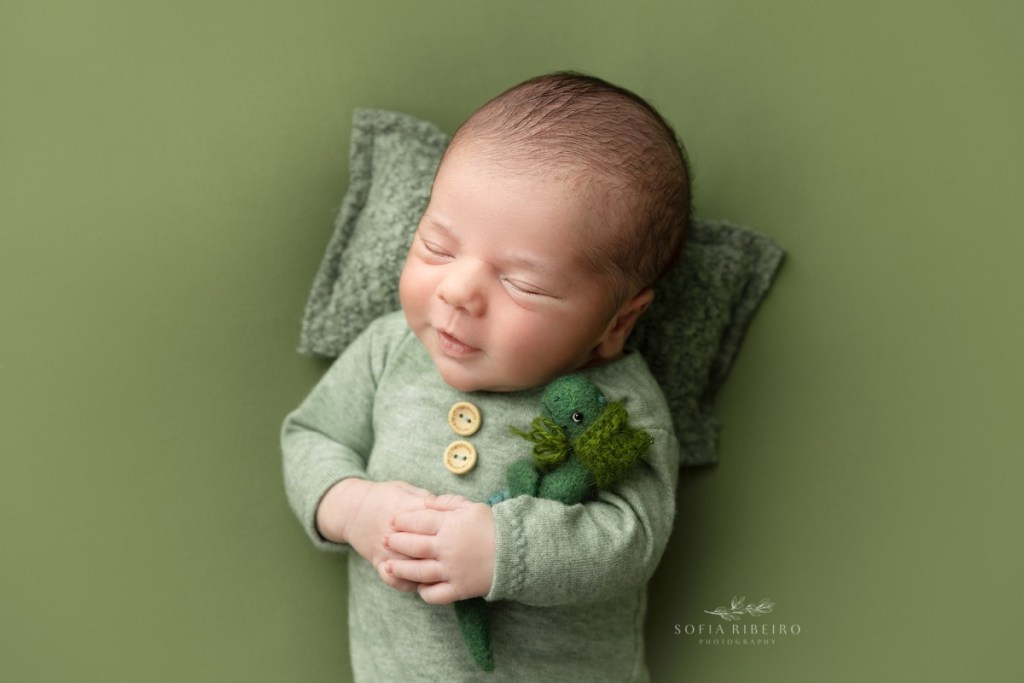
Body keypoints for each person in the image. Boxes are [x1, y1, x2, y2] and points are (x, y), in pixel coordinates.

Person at [282, 72, 691, 681]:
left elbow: (632, 539)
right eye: (436, 247)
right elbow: (310, 437)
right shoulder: (389, 350)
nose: (457, 291)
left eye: (522, 284)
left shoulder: (617, 409)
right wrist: (353, 508)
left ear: (616, 322)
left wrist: (506, 550)